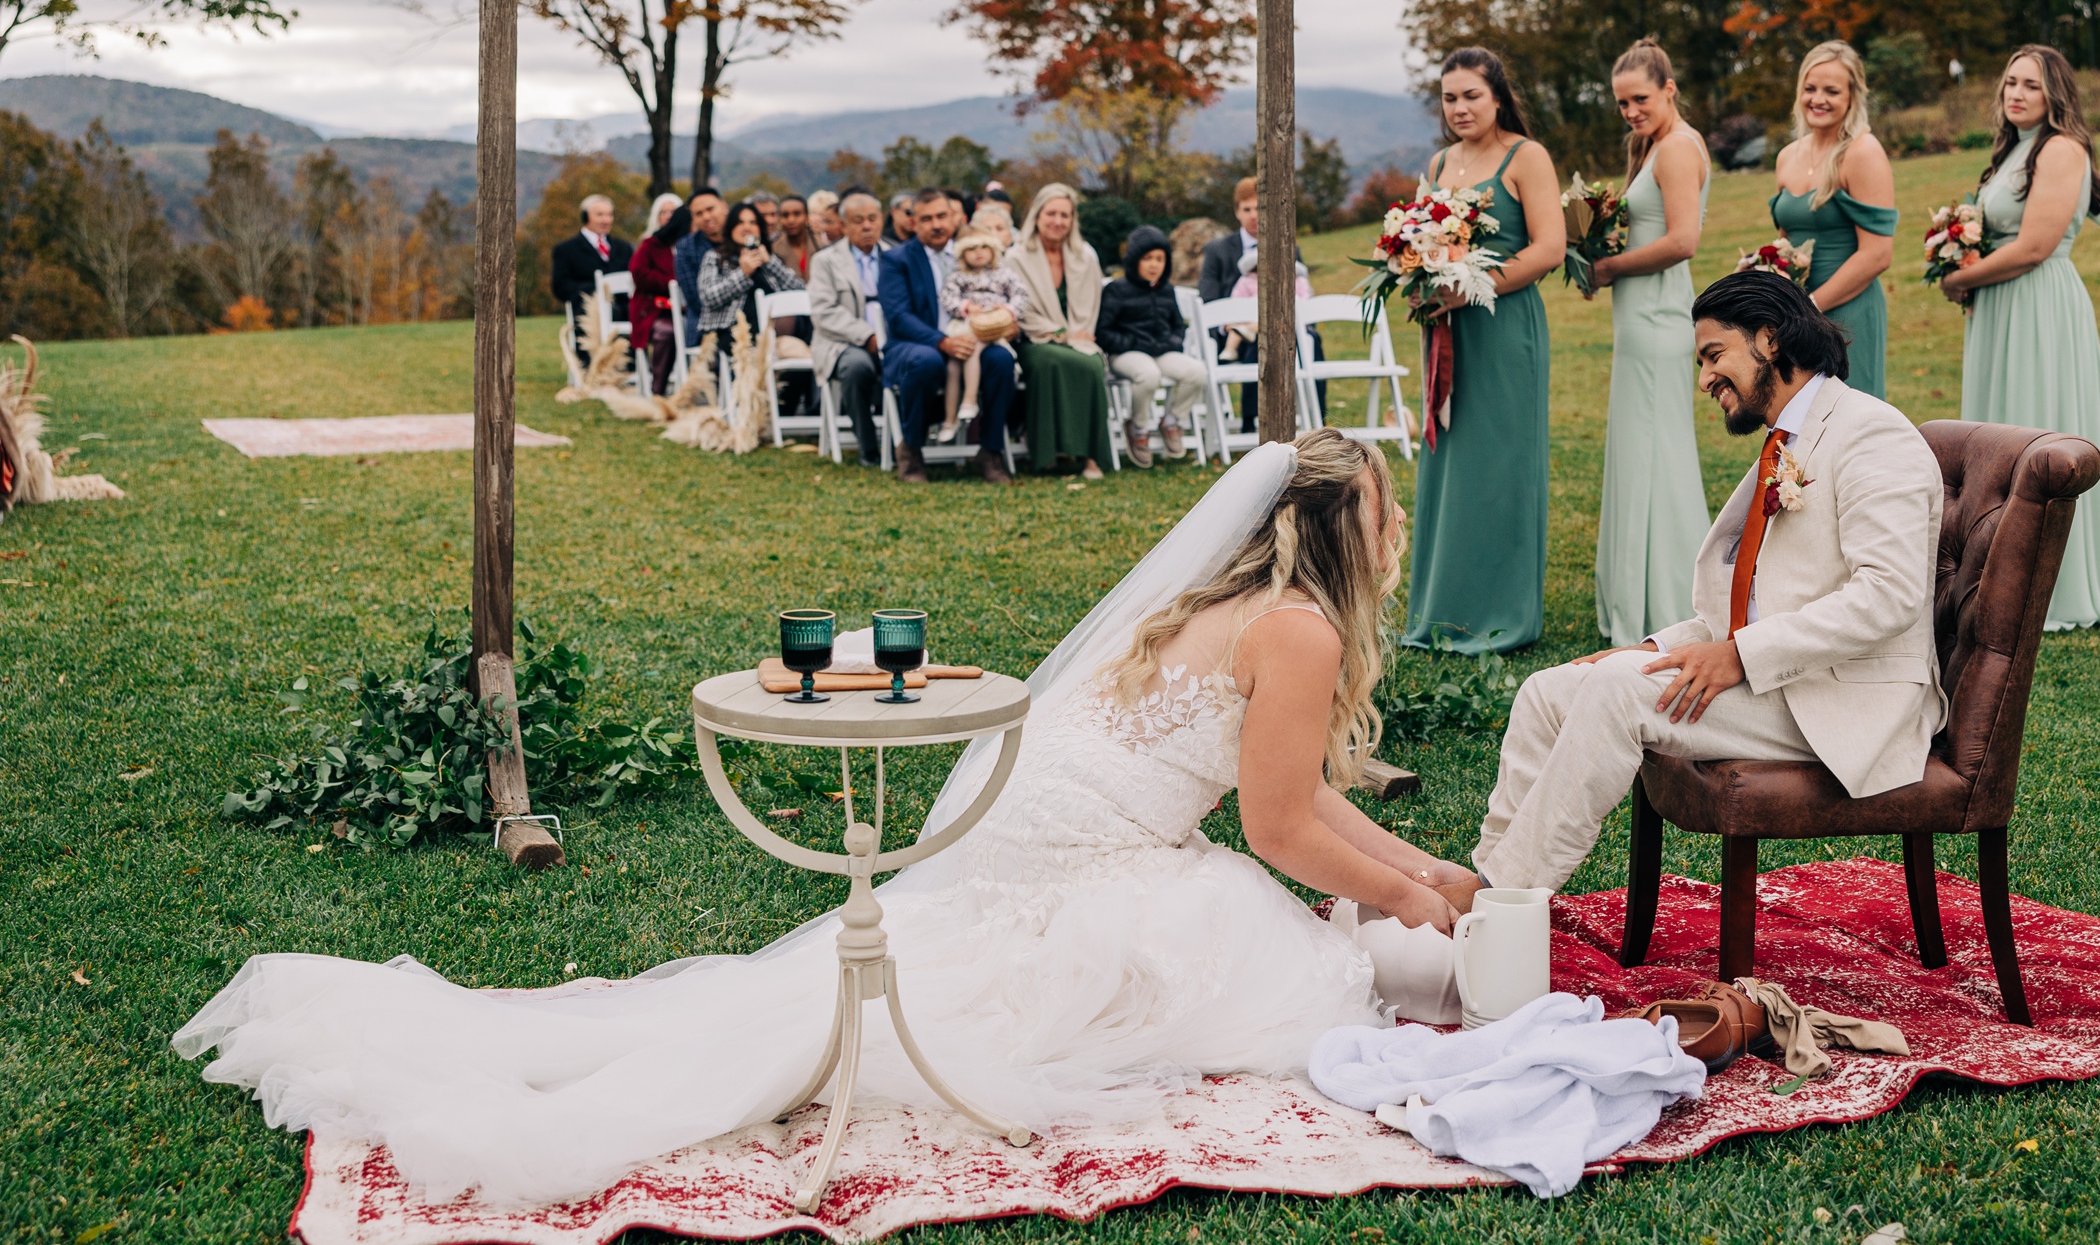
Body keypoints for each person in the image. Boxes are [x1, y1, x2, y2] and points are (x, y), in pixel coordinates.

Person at [177, 434, 1476, 1207]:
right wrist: (1419, 900)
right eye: (1387, 507)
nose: (1400, 523)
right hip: (1089, 862)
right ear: (1342, 528)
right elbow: (1279, 829)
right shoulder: (1298, 629)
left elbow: (1300, 801)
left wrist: (1425, 863)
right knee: (1271, 974)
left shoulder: (1214, 605)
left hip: (1029, 839)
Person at [1466, 272, 1943, 895]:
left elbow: (1890, 595)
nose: (1703, 380)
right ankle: (1487, 876)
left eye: (1714, 356)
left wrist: (1740, 656)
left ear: (1770, 340)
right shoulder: (1793, 437)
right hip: (1790, 678)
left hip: (1851, 701)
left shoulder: (1871, 435)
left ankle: (1500, 906)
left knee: (1615, 693)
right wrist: (1653, 651)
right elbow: (1755, 598)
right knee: (1547, 690)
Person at [1937, 46, 2100, 629]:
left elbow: (2033, 247)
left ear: (2056, 94)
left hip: (2038, 302)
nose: (2017, 93)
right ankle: (1995, 576)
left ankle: (2058, 584)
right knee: (2000, 429)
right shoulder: (2012, 151)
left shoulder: (2061, 148)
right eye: (2010, 82)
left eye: (2031, 84)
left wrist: (1959, 278)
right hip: (2001, 304)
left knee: (2036, 422)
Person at [1401, 46, 1563, 655]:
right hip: (1447, 332)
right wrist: (1417, 282)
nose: (1461, 107)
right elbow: (1422, 244)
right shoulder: (1441, 160)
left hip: (1503, 327)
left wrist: (1467, 293)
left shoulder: (1527, 157)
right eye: (1450, 97)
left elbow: (1548, 249)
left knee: (1501, 467)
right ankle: (1444, 608)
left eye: (1472, 95)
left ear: (1497, 96)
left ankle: (1502, 613)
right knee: (1451, 468)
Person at [1588, 38, 1713, 647]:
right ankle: (1636, 596)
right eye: (1620, 104)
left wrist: (1610, 269)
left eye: (1639, 99)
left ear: (1668, 88)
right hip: (1639, 322)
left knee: (1658, 457)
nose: (1630, 111)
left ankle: (1666, 600)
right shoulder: (1657, 147)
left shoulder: (1677, 150)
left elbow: (1684, 240)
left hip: (1660, 320)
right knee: (1641, 455)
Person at [1768, 40, 1898, 400]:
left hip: (1848, 313)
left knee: (1847, 421)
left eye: (1831, 91)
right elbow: (1784, 246)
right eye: (1810, 89)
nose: (1818, 99)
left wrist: (1809, 307)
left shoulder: (1862, 153)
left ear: (1852, 97)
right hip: (1796, 315)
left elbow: (1877, 254)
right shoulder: (1787, 157)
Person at [880, 188, 1013, 484]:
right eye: (927, 219)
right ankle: (911, 451)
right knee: (926, 361)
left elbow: (1001, 293)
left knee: (1001, 360)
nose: (936, 224)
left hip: (974, 340)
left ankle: (990, 451)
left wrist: (1003, 322)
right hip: (916, 343)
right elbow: (899, 317)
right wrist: (943, 342)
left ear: (954, 217)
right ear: (914, 223)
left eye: (942, 216)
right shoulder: (896, 260)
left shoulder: (973, 252)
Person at [1006, 182, 1117, 479]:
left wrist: (1077, 335)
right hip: (1034, 340)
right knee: (1049, 362)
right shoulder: (1016, 257)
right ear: (1037, 215)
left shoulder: (1086, 255)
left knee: (1092, 364)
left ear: (1072, 220)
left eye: (1065, 215)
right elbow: (1021, 310)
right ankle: (1047, 454)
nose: (1057, 221)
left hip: (1081, 335)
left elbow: (1093, 302)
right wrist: (1061, 335)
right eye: (1051, 213)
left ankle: (1091, 457)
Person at [1100, 225, 1210, 466]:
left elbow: (1178, 326)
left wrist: (1171, 342)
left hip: (1161, 351)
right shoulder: (1116, 290)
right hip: (1125, 354)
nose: (1153, 265)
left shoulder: (1166, 290)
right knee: (1148, 374)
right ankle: (1137, 426)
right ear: (1134, 260)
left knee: (1197, 372)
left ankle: (1172, 420)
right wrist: (1132, 342)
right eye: (1147, 258)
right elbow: (1104, 332)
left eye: (1160, 259)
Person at [807, 189, 887, 465]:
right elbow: (824, 313)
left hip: (892, 340)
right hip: (842, 342)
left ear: (881, 221)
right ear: (844, 225)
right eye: (858, 220)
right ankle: (868, 447)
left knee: (916, 363)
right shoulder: (825, 261)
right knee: (858, 367)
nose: (866, 226)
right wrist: (867, 336)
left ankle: (906, 442)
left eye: (872, 219)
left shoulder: (895, 256)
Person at [934, 231, 1029, 446]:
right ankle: (950, 419)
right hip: (967, 323)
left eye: (983, 248)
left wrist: (1007, 309)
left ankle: (969, 400)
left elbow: (1021, 294)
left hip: (992, 326)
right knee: (953, 364)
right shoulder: (959, 276)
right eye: (971, 249)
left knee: (973, 347)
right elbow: (947, 297)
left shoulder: (1003, 274)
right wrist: (965, 307)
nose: (978, 254)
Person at [697, 200, 801, 361]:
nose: (747, 227)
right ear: (731, 227)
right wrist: (743, 274)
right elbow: (708, 297)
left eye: (753, 222)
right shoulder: (715, 258)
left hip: (774, 331)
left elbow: (799, 290)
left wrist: (770, 263)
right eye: (740, 222)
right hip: (732, 331)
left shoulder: (769, 259)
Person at [1198, 176, 1264, 427]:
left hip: (1278, 328)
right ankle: (1252, 419)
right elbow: (1208, 294)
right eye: (1247, 209)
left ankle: (1321, 422)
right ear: (1237, 212)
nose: (1254, 215)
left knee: (1313, 342)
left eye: (1260, 208)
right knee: (1256, 344)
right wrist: (1226, 323)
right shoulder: (1218, 250)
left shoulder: (1288, 245)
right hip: (1231, 332)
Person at [550, 193, 633, 365]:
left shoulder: (624, 248)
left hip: (623, 309)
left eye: (609, 214)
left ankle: (632, 366)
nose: (606, 219)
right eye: (600, 214)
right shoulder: (566, 250)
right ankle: (592, 368)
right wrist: (594, 293)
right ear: (586, 216)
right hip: (588, 311)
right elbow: (560, 286)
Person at [627, 193, 683, 394]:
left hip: (687, 308)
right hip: (655, 309)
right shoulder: (650, 244)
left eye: (673, 212)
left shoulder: (689, 244)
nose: (668, 216)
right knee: (668, 332)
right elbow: (639, 275)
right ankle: (658, 388)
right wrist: (672, 284)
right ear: (656, 217)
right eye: (663, 212)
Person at [671, 188, 726, 341]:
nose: (706, 217)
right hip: (704, 325)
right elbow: (694, 298)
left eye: (710, 209)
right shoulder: (686, 247)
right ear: (693, 218)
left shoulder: (739, 238)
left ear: (724, 207)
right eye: (699, 214)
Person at [771, 194, 819, 277]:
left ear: (807, 217)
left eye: (797, 214)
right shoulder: (774, 250)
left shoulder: (821, 246)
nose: (791, 220)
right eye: (785, 215)